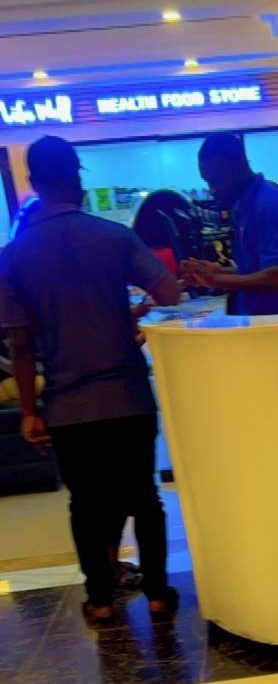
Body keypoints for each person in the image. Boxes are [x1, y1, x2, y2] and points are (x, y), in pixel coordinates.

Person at [0, 135, 182, 624]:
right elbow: (170, 293)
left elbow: (20, 343)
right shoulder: (113, 237)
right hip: (127, 397)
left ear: (33, 183)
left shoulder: (13, 256)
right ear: (77, 178)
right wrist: (123, 316)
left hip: (67, 406)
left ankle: (100, 599)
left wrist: (31, 412)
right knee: (144, 497)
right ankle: (159, 593)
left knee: (86, 505)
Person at [181, 131, 278, 316]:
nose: (212, 190)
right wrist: (219, 272)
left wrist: (216, 280)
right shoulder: (244, 205)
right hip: (260, 320)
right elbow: (256, 270)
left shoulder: (267, 205)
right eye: (208, 182)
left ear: (240, 168)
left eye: (218, 180)